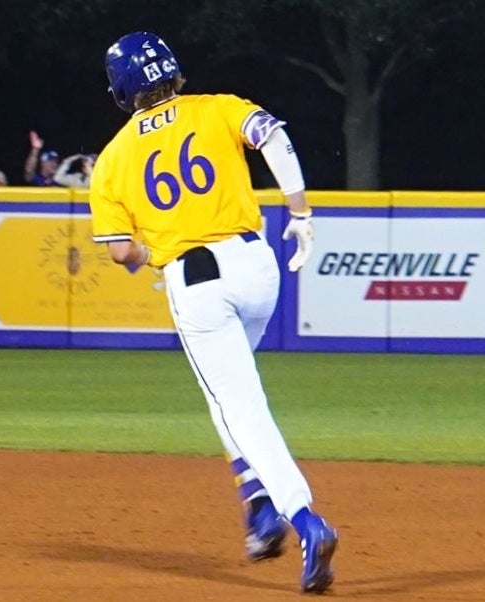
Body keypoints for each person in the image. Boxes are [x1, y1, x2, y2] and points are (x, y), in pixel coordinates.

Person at [88, 32, 337, 594]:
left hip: (196, 283)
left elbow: (121, 251)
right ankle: (257, 507)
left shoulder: (112, 159)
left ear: (121, 90)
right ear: (174, 71)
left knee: (241, 406)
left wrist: (156, 253)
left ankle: (303, 519)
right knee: (225, 394)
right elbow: (274, 137)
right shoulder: (219, 107)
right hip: (258, 269)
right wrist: (299, 211)